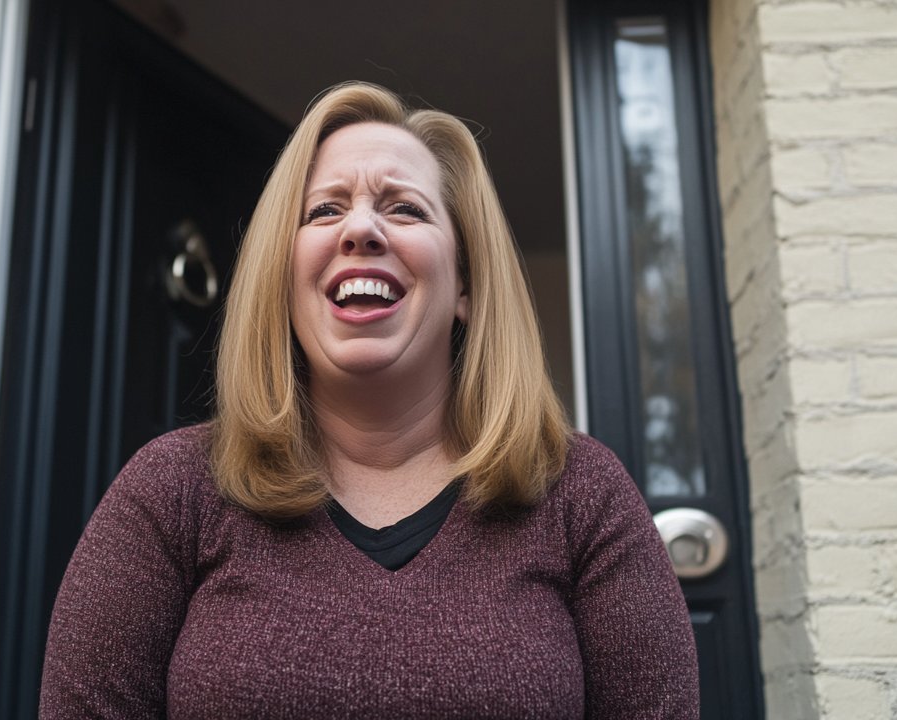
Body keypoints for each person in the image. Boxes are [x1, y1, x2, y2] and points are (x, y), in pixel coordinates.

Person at [40, 81, 699, 719]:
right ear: (283, 275)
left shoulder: (581, 494)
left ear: (465, 284)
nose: (360, 228)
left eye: (405, 208)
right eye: (325, 209)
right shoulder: (173, 490)